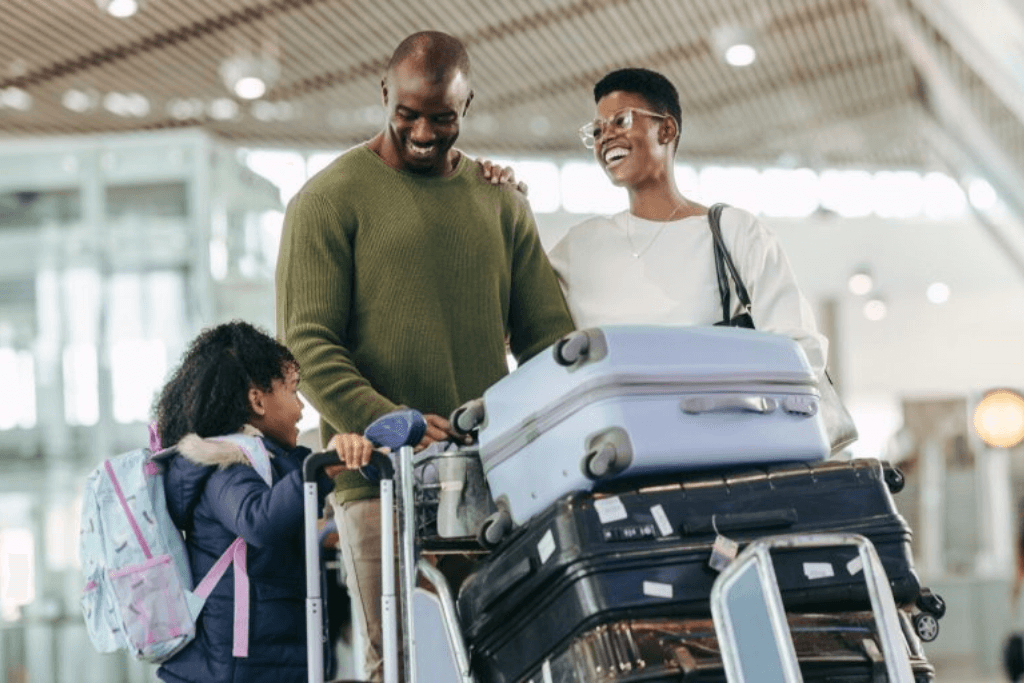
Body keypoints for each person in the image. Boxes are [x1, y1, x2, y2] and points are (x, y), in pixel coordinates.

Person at [274, 30, 574, 681]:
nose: (421, 130)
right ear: (384, 94)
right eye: (407, 113)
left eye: (441, 117)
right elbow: (309, 344)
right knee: (407, 663)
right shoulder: (326, 202)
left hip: (491, 480)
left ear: (467, 107)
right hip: (379, 483)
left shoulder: (500, 202)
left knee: (505, 658)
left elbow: (548, 342)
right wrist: (396, 422)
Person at [547, 67, 828, 376]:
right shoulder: (581, 247)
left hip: (719, 421)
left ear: (666, 130)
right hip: (618, 423)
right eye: (597, 131)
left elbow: (799, 350)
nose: (606, 137)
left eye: (621, 120)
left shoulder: (733, 232)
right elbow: (510, 322)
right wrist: (502, 196)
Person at [154, 320, 372, 683]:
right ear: (258, 400)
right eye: (292, 391)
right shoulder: (223, 463)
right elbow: (258, 520)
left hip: (262, 655)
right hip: (239, 666)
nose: (301, 407)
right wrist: (322, 468)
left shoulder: (261, 463)